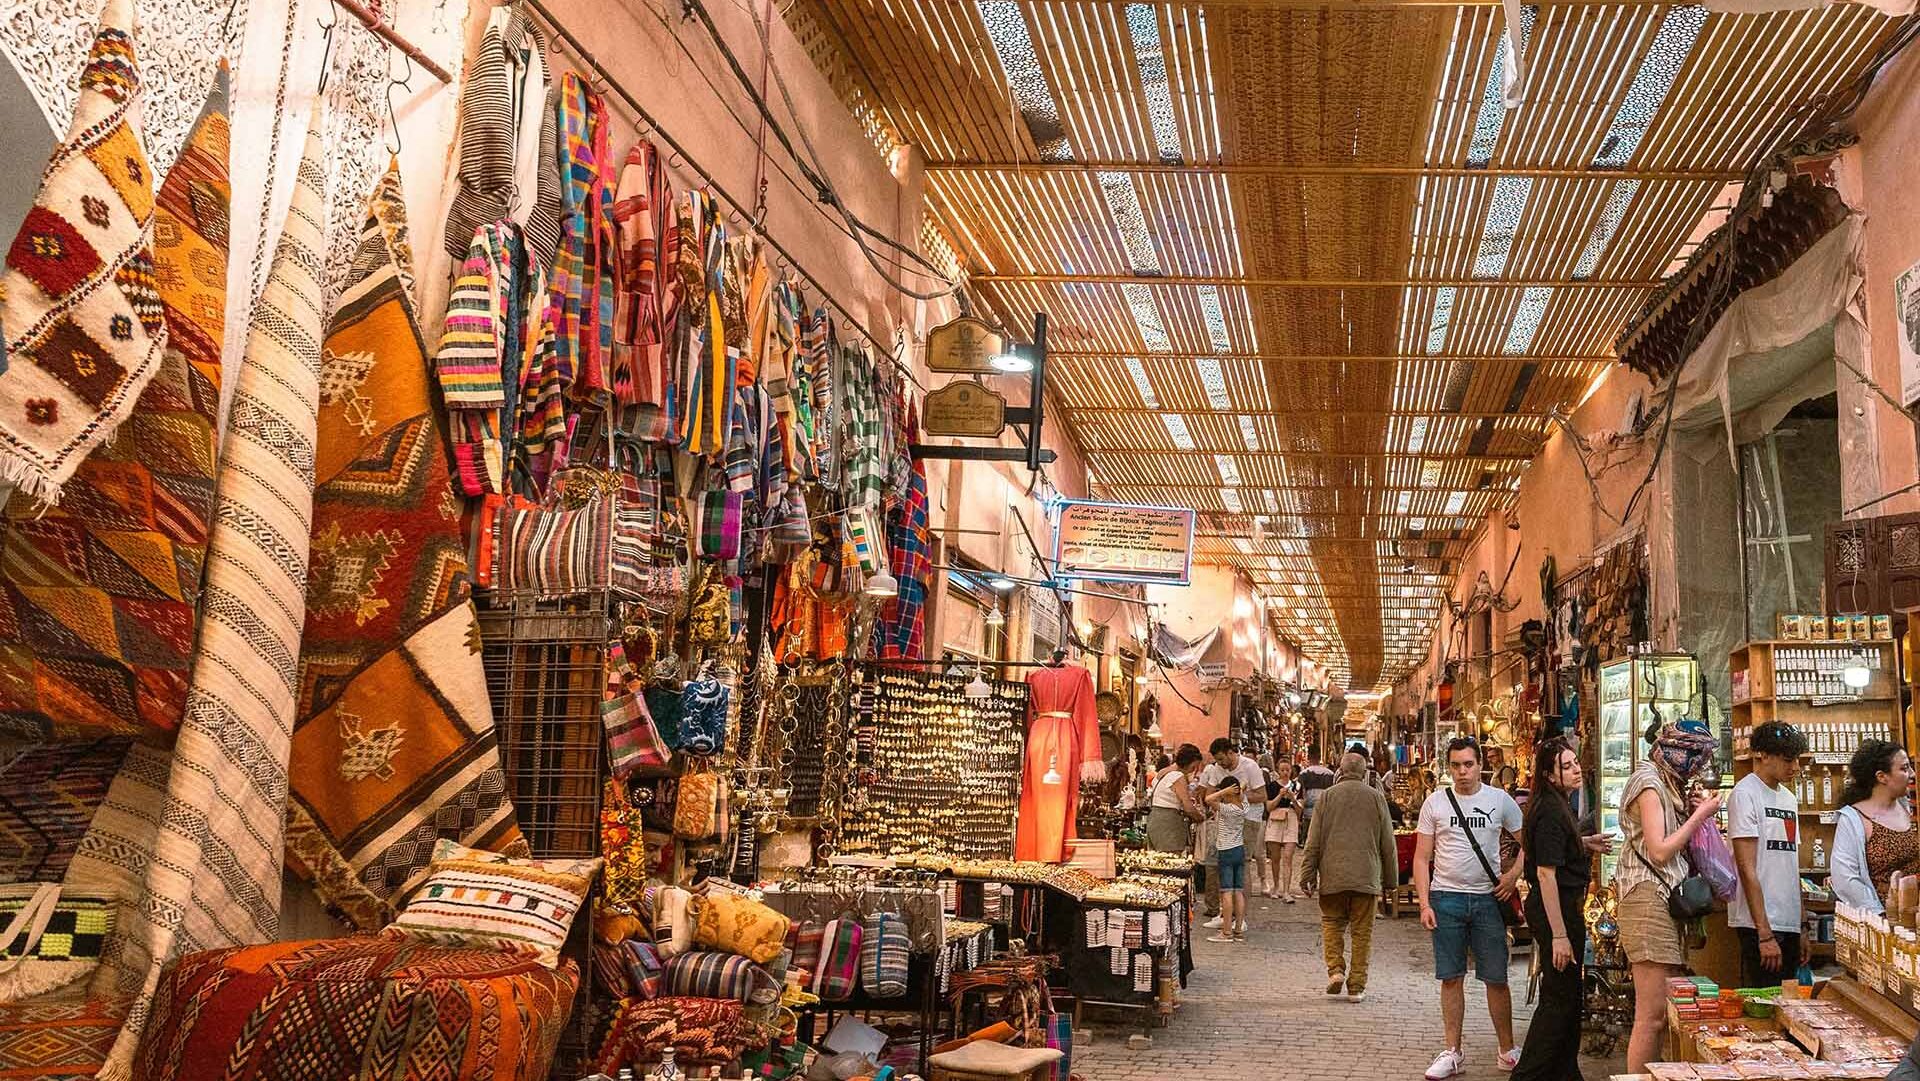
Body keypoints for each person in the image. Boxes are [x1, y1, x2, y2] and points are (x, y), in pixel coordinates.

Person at [1414, 736, 1524, 1080]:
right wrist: (1424, 903)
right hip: (1446, 898)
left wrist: (1512, 877)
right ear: (1449, 768)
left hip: (1489, 899)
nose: (1462, 772)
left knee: (1496, 977)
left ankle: (1507, 1050)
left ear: (1480, 765)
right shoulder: (1435, 804)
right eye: (1456, 765)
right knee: (1451, 977)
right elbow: (1421, 857)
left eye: (1468, 764)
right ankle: (1452, 1051)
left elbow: (1529, 843)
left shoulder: (1500, 800)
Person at [1617, 721, 1722, 1075]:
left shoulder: (1666, 783)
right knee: (1652, 1016)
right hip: (1648, 899)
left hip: (1661, 900)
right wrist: (1698, 816)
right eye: (1697, 757)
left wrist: (1688, 810)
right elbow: (1660, 850)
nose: (1699, 766)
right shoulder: (1648, 782)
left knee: (1662, 1014)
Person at [1512, 737, 1597, 1081]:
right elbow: (1546, 874)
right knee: (1557, 1001)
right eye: (1566, 765)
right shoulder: (1548, 810)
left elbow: (1556, 853)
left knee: (1567, 997)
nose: (1576, 769)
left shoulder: (1558, 804)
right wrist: (1559, 934)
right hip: (1555, 910)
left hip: (1562, 907)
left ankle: (1565, 1072)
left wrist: (1585, 843)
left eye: (1575, 763)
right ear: (1549, 774)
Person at [1301, 752, 1398, 1002]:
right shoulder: (1377, 798)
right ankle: (1356, 987)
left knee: (1332, 924)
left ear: (1340, 772)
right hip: (1366, 876)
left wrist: (1307, 874)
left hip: (1333, 876)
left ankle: (1335, 970)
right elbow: (1388, 843)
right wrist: (1391, 882)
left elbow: (1313, 841)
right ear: (1365, 773)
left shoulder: (1327, 798)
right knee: (1362, 933)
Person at [1728, 720, 1809, 987]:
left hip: (1789, 921)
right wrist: (1764, 934)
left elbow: (1791, 864)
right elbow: (1746, 868)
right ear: (1762, 754)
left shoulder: (1788, 799)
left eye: (1797, 760)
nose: (1795, 767)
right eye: (1788, 760)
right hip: (1758, 924)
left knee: (1791, 1004)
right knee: (1764, 1002)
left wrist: (1803, 925)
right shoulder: (1744, 794)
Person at [1833, 739, 1920, 914]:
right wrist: (1879, 915)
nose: (1912, 774)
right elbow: (1845, 878)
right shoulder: (1854, 818)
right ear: (1881, 776)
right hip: (1880, 919)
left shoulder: (1909, 808)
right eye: (1904, 768)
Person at [1200, 738, 1268, 905]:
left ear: (1231, 752)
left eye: (1222, 759)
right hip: (1225, 820)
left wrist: (1236, 796)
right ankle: (1224, 912)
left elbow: (1262, 796)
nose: (1220, 764)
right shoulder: (1217, 769)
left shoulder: (1250, 767)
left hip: (1248, 819)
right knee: (1219, 862)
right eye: (1217, 760)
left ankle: (1240, 915)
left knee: (1241, 864)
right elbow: (1209, 793)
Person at [1205, 776, 1249, 942]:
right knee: (1238, 891)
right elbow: (1242, 792)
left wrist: (1224, 791)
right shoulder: (1244, 806)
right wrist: (1238, 790)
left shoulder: (1226, 809)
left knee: (1226, 892)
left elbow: (1208, 799)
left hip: (1226, 851)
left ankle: (1226, 932)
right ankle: (1238, 929)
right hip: (1239, 849)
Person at [1147, 744, 1206, 854]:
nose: (1193, 771)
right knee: (1171, 862)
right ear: (1187, 763)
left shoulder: (1162, 772)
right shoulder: (1178, 777)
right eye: (1193, 767)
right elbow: (1188, 808)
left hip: (1154, 820)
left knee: (1157, 861)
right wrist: (1201, 818)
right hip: (1168, 824)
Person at [1297, 747, 1338, 891]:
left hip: (1309, 814)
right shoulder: (1330, 774)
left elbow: (1300, 796)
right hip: (1326, 814)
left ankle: (1310, 878)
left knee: (1311, 847)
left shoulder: (1304, 774)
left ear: (1309, 757)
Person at [1266, 761, 1302, 901]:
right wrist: (1280, 795)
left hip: (1291, 820)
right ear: (1278, 771)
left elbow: (1300, 810)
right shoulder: (1272, 786)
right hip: (1275, 820)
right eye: (1282, 770)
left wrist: (1293, 798)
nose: (1285, 772)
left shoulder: (1297, 786)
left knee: (1288, 857)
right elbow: (1268, 807)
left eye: (1287, 769)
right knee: (1275, 858)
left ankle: (1286, 890)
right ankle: (1276, 886)